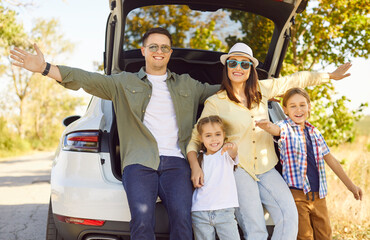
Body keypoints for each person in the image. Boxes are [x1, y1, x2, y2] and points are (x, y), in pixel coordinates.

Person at [10, 27, 219, 240]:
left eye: (164, 47)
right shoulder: (123, 82)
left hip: (177, 162)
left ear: (170, 52)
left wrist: (241, 68)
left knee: (183, 221)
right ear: (143, 50)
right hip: (139, 162)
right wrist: (45, 68)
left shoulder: (189, 85)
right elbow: (85, 79)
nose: (159, 50)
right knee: (141, 222)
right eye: (153, 46)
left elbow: (226, 92)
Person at [186, 42, 352, 240]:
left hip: (267, 167)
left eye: (244, 64)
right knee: (256, 229)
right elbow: (195, 140)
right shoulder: (216, 102)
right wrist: (196, 167)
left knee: (290, 217)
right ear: (227, 67)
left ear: (251, 69)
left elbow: (295, 79)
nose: (238, 68)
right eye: (233, 63)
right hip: (239, 170)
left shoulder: (262, 90)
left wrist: (329, 76)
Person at [255, 87, 363, 240]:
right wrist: (265, 125)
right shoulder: (285, 127)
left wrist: (351, 186)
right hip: (297, 195)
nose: (298, 110)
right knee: (304, 236)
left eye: (302, 105)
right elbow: (275, 129)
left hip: (319, 196)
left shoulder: (315, 132)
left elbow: (331, 160)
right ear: (285, 109)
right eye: (292, 106)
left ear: (309, 106)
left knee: (325, 234)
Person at [191, 115, 240, 240]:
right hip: (200, 212)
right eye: (208, 135)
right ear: (200, 138)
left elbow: (233, 152)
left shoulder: (225, 154)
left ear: (224, 135)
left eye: (217, 134)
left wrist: (232, 147)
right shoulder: (199, 159)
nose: (214, 139)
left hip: (225, 211)